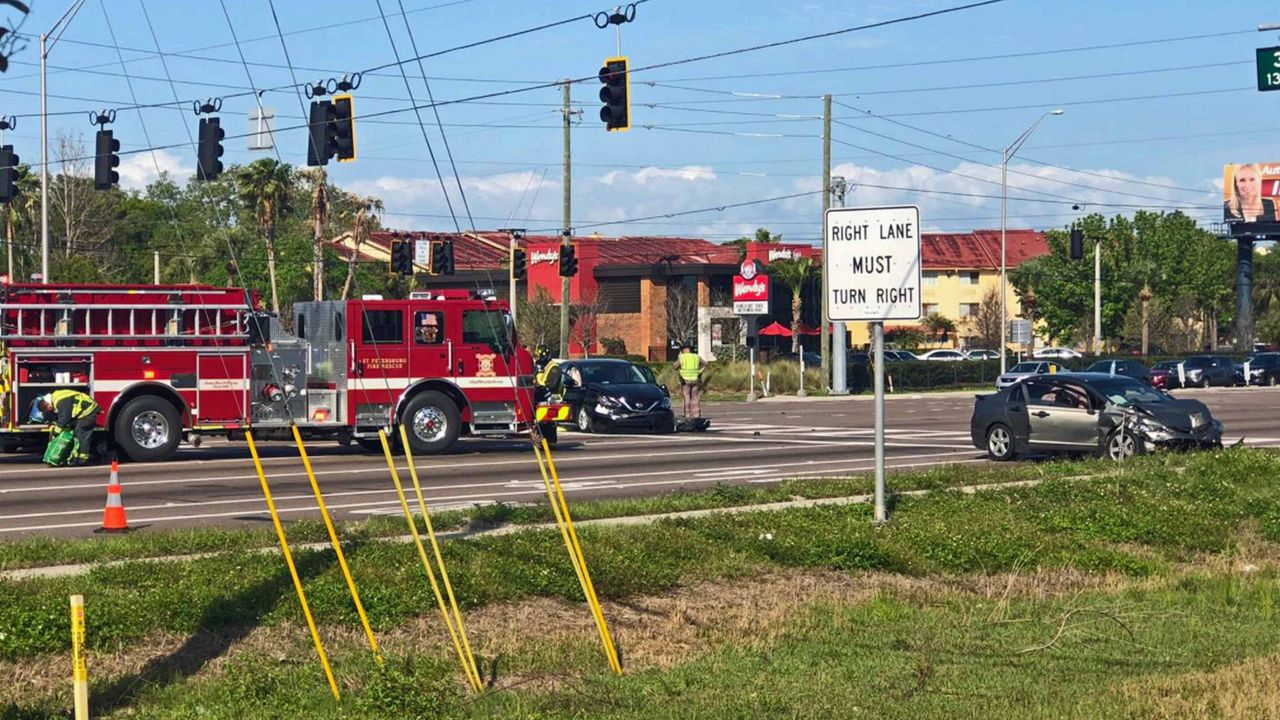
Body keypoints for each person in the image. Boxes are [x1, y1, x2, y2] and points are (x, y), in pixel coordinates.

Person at [36, 390, 100, 465]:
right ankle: (76, 457)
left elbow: (65, 417)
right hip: (83, 413)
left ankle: (82, 459)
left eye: (47, 410)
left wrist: (56, 431)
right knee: (76, 433)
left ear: (48, 405)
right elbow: (61, 416)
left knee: (81, 433)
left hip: (88, 412)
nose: (49, 411)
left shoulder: (60, 401)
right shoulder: (56, 398)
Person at [674, 342, 706, 420]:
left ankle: (687, 414)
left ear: (683, 350)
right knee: (695, 397)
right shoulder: (696, 356)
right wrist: (700, 372)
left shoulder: (682, 357)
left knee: (687, 397)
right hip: (695, 379)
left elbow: (675, 366)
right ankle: (696, 414)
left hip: (685, 380)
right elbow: (705, 364)